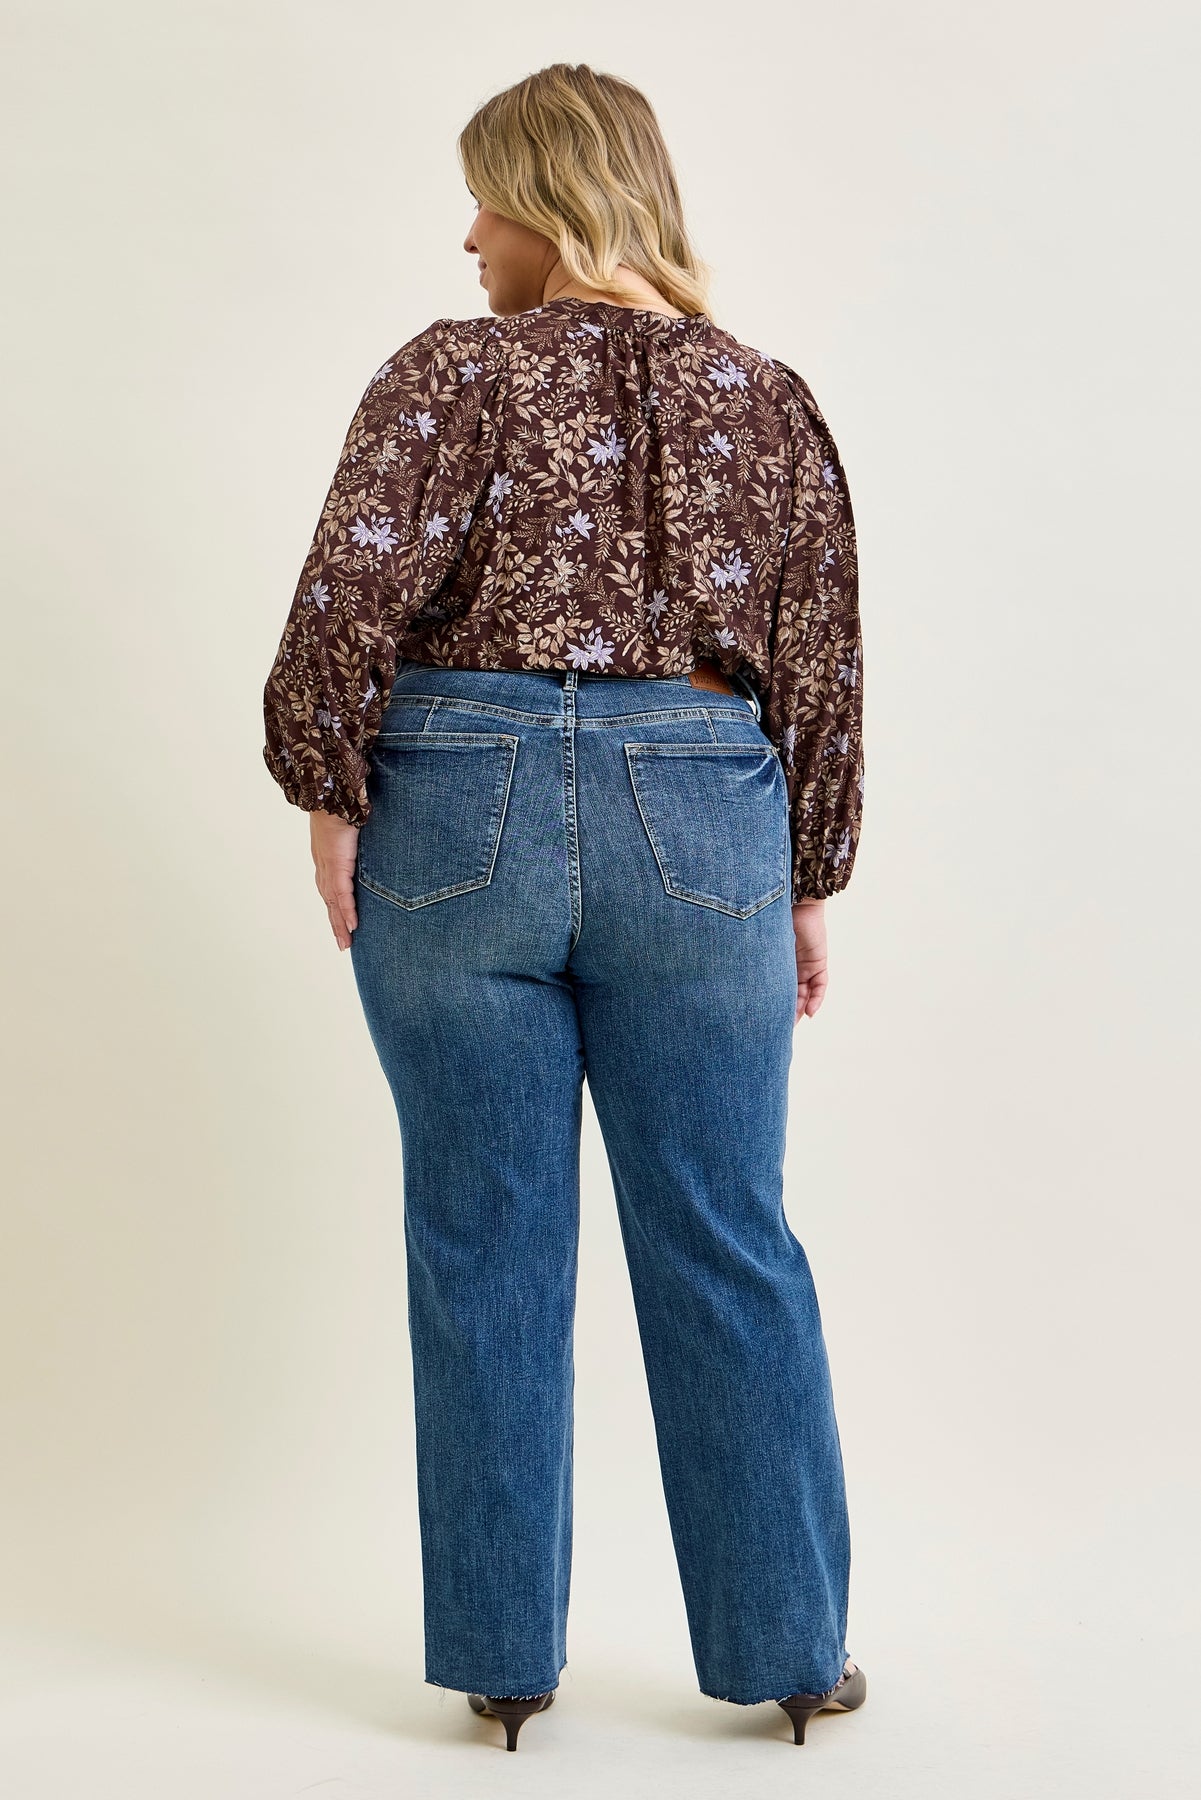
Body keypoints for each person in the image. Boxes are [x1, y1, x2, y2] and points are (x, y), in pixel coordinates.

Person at [261, 61, 867, 1753]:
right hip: (702, 802)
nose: (468, 237)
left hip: (456, 799)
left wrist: (326, 790)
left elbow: (347, 594)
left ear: (549, 196)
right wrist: (805, 873)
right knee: (725, 1231)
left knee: (481, 1237)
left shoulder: (446, 374)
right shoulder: (764, 397)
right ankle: (791, 1652)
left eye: (486, 197)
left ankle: (502, 1662)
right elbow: (818, 654)